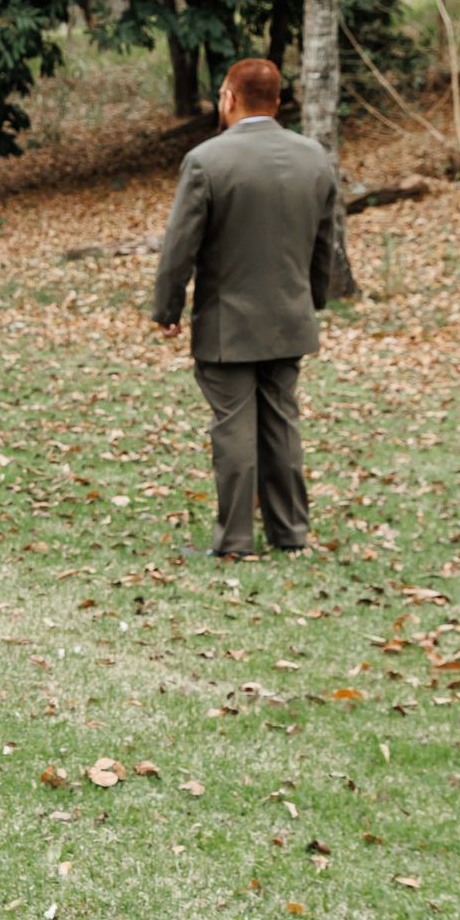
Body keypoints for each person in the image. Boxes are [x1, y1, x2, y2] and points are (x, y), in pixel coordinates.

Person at [151, 57, 337, 559]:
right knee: (281, 423)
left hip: (227, 322)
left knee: (233, 427)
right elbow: (326, 243)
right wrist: (311, 300)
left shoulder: (207, 160)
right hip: (289, 316)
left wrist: (167, 308)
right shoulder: (314, 157)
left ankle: (235, 541)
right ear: (277, 102)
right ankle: (290, 534)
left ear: (229, 98)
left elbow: (179, 247)